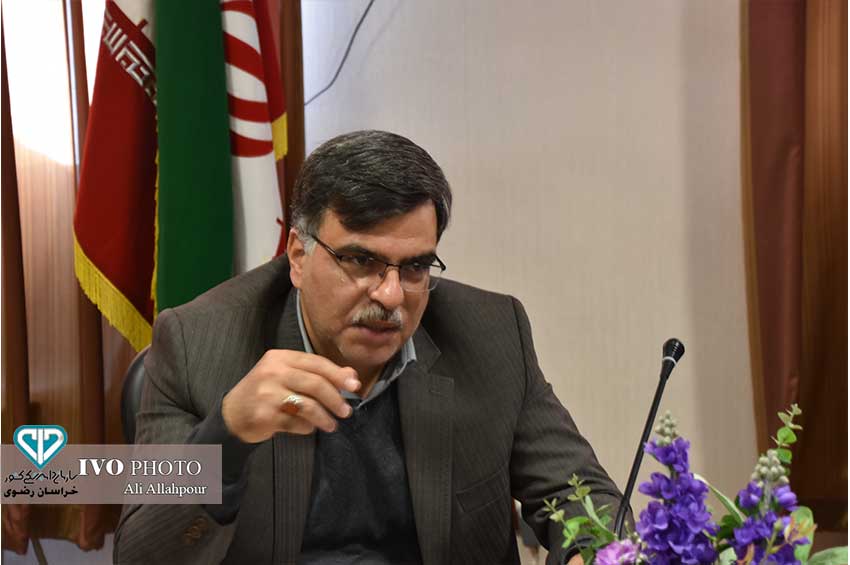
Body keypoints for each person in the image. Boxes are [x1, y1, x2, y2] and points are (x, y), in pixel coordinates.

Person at [114, 130, 627, 564]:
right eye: (361, 261)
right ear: (298, 256)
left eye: (415, 267)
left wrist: (595, 552)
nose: (390, 295)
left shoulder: (490, 333)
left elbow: (579, 494)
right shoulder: (198, 342)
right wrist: (227, 435)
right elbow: (139, 555)